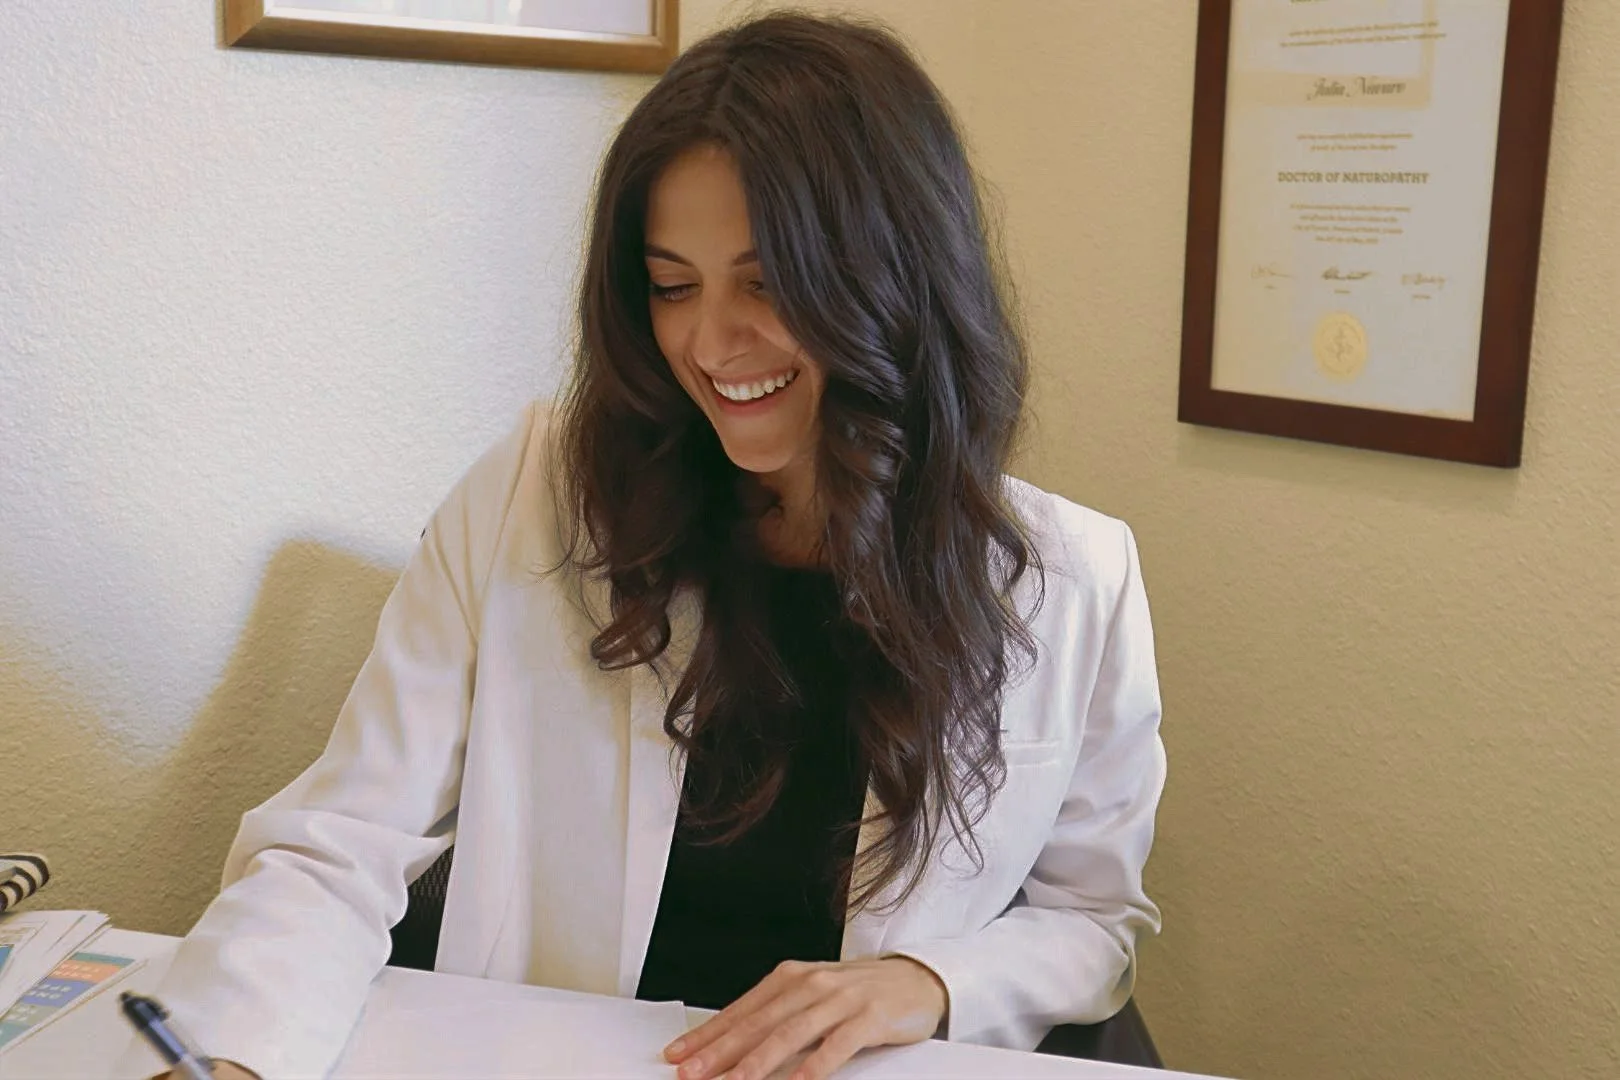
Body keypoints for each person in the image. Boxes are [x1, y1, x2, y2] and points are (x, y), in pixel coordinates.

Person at [136, 12, 1165, 1080]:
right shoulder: (535, 497)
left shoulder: (1070, 579)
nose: (710, 343)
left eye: (766, 282)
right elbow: (339, 842)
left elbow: (1094, 919)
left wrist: (934, 983)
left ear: (892, 279)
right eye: (673, 285)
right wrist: (229, 1058)